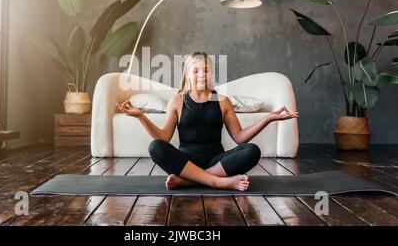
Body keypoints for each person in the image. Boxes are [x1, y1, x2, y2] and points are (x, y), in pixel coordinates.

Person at [114, 51, 299, 191]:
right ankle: (218, 182)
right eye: (196, 70)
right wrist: (141, 116)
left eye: (206, 70)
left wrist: (269, 118)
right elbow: (163, 138)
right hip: (186, 161)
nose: (201, 75)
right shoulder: (177, 100)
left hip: (216, 161)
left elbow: (240, 137)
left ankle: (189, 181)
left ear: (212, 73)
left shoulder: (222, 101)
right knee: (155, 147)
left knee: (252, 150)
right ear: (187, 73)